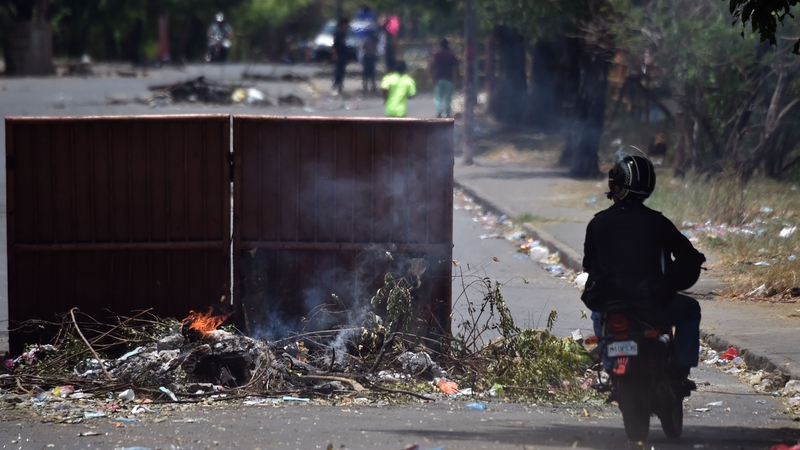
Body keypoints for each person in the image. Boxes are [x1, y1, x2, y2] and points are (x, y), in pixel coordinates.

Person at [581, 147, 705, 391]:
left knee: (598, 316)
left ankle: (610, 369)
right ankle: (680, 368)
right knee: (691, 309)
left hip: (612, 305)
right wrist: (675, 279)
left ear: (615, 185)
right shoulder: (658, 222)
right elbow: (687, 255)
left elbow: (588, 264)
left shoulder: (598, 223)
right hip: (653, 305)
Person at [430, 39, 459, 118]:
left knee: (438, 97)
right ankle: (448, 113)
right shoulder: (452, 55)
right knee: (448, 98)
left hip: (439, 78)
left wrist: (432, 77)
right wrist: (457, 79)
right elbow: (456, 68)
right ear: (448, 45)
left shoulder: (437, 55)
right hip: (449, 79)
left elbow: (431, 66)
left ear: (441, 46)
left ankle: (439, 111)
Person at [332, 18, 350, 95]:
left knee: (342, 71)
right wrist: (334, 54)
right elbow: (334, 45)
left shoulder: (343, 33)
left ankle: (340, 86)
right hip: (339, 54)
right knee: (338, 71)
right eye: (346, 24)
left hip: (343, 54)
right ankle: (335, 86)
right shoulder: (338, 33)